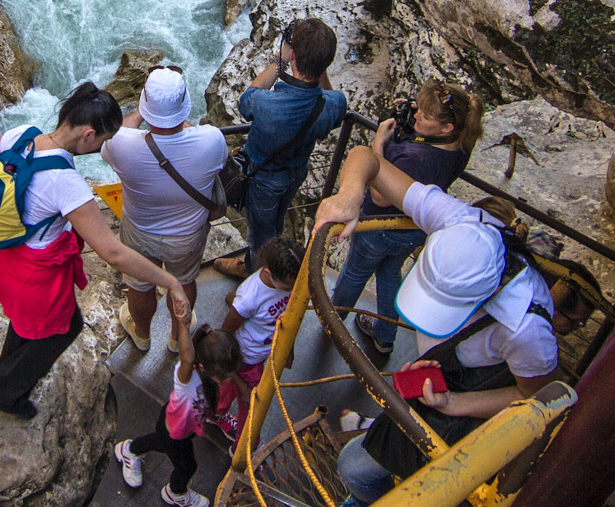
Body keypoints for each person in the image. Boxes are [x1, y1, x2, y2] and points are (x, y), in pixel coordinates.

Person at [313, 143, 560, 506]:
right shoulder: (460, 222)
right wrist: (350, 195)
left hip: (467, 401)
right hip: (441, 375)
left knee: (355, 468)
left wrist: (453, 404)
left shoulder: (526, 330)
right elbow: (368, 159)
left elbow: (533, 396)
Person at [0, 83, 193, 419]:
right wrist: (171, 281)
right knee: (64, 328)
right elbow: (113, 253)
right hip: (35, 273)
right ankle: (4, 390)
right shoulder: (66, 183)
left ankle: (7, 374)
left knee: (26, 323)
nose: (102, 147)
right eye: (104, 141)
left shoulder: (21, 135)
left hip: (4, 254)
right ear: (89, 135)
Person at [330, 81, 483, 358]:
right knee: (389, 273)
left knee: (355, 272)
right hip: (413, 227)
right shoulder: (460, 143)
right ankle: (385, 335)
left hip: (380, 226)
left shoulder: (417, 158)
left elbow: (378, 195)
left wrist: (378, 143)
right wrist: (418, 118)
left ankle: (332, 321)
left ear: (446, 127)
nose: (416, 117)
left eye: (424, 115)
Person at [101, 66, 228, 354]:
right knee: (183, 281)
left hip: (139, 230)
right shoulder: (212, 140)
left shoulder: (120, 144)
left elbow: (117, 131)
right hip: (186, 236)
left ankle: (142, 335)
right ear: (184, 106)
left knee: (140, 284)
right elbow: (194, 139)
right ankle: (176, 337)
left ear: (146, 106)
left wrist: (141, 112)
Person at [216, 18, 347, 280]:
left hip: (263, 181)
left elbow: (246, 102)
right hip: (296, 173)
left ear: (293, 54)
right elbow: (332, 100)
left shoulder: (267, 104)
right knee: (276, 221)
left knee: (260, 236)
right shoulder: (334, 103)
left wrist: (280, 61)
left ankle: (258, 281)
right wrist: (316, 65)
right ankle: (255, 264)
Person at [113, 321, 245, 507]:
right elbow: (187, 356)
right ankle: (176, 493)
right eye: (224, 377)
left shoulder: (209, 378)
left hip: (180, 429)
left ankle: (130, 449)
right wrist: (183, 325)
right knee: (187, 467)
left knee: (158, 442)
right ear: (203, 366)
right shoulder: (187, 378)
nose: (227, 381)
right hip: (174, 433)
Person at [217, 236, 303, 436]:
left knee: (227, 390)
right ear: (268, 272)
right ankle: (244, 447)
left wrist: (289, 347)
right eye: (288, 287)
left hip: (261, 353)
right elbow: (225, 334)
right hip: (247, 359)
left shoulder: (287, 280)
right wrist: (242, 385)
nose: (292, 291)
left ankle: (215, 412)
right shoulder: (249, 298)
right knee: (252, 408)